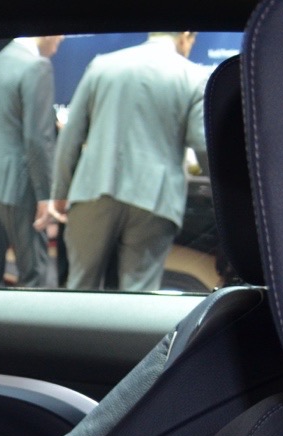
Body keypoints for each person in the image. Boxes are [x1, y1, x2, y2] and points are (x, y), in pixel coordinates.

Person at [50, 32, 210, 291]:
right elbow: (202, 144)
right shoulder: (194, 77)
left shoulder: (102, 66)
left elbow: (71, 137)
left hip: (93, 190)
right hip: (155, 199)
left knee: (80, 289)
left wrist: (60, 193)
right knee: (139, 293)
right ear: (185, 36)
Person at [0, 36, 63, 288]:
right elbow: (38, 138)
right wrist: (45, 195)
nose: (62, 39)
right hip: (19, 187)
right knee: (34, 278)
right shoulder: (37, 66)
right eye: (60, 34)